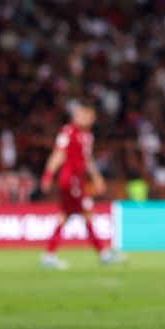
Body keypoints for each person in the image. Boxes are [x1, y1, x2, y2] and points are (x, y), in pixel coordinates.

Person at [39, 104, 124, 268]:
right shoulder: (68, 132)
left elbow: (87, 159)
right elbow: (58, 154)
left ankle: (50, 255)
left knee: (67, 215)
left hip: (78, 180)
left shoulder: (87, 136)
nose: (86, 119)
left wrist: (97, 177)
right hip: (70, 180)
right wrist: (48, 175)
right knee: (85, 212)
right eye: (83, 115)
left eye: (89, 117)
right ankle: (103, 254)